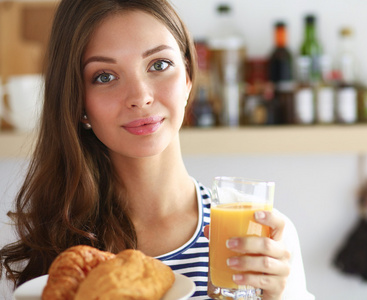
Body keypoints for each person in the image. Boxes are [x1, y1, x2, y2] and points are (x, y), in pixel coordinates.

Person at [0, 0, 314, 299]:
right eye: (105, 76)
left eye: (159, 64)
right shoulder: (52, 252)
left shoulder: (257, 240)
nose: (140, 96)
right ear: (78, 102)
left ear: (189, 77)